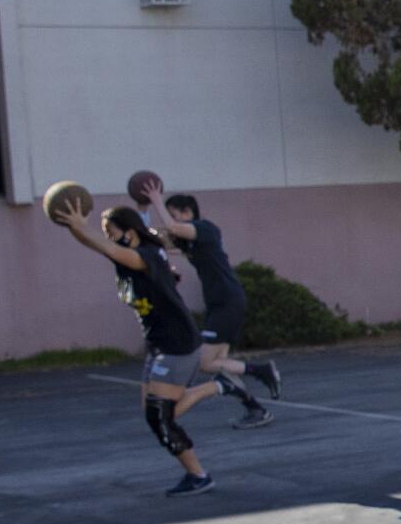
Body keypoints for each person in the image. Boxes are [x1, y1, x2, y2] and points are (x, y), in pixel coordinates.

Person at [55, 202, 230, 496]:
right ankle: (216, 387)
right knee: (151, 411)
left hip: (177, 342)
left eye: (112, 232)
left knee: (159, 416)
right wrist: (79, 231)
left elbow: (105, 249)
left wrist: (77, 226)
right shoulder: (138, 258)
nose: (110, 239)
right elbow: (107, 250)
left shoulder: (143, 256)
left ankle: (199, 475)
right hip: (158, 343)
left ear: (130, 231)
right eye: (106, 234)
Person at [139, 174, 281, 428]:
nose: (170, 218)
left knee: (205, 362)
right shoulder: (188, 241)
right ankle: (256, 409)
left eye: (174, 213)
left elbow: (171, 228)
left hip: (228, 300)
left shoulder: (206, 229)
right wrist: (143, 210)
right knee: (220, 366)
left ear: (187, 211)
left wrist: (157, 200)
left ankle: (262, 371)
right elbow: (153, 239)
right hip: (220, 303)